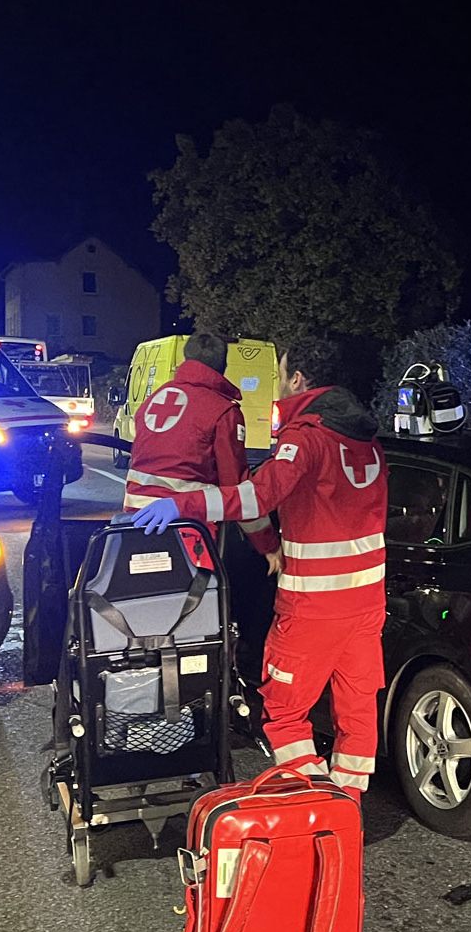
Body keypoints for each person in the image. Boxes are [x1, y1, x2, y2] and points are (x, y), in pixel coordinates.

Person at [130, 335, 388, 800]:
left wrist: (182, 504)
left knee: (283, 711)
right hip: (367, 603)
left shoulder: (306, 438)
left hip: (314, 603)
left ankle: (315, 802)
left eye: (282, 375)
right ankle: (349, 805)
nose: (279, 387)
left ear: (299, 379)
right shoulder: (366, 440)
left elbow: (256, 496)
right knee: (357, 706)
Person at [123, 330, 281, 572]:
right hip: (190, 529)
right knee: (200, 593)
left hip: (135, 523)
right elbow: (238, 491)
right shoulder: (222, 411)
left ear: (186, 358)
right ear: (223, 365)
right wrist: (268, 545)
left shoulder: (153, 400)